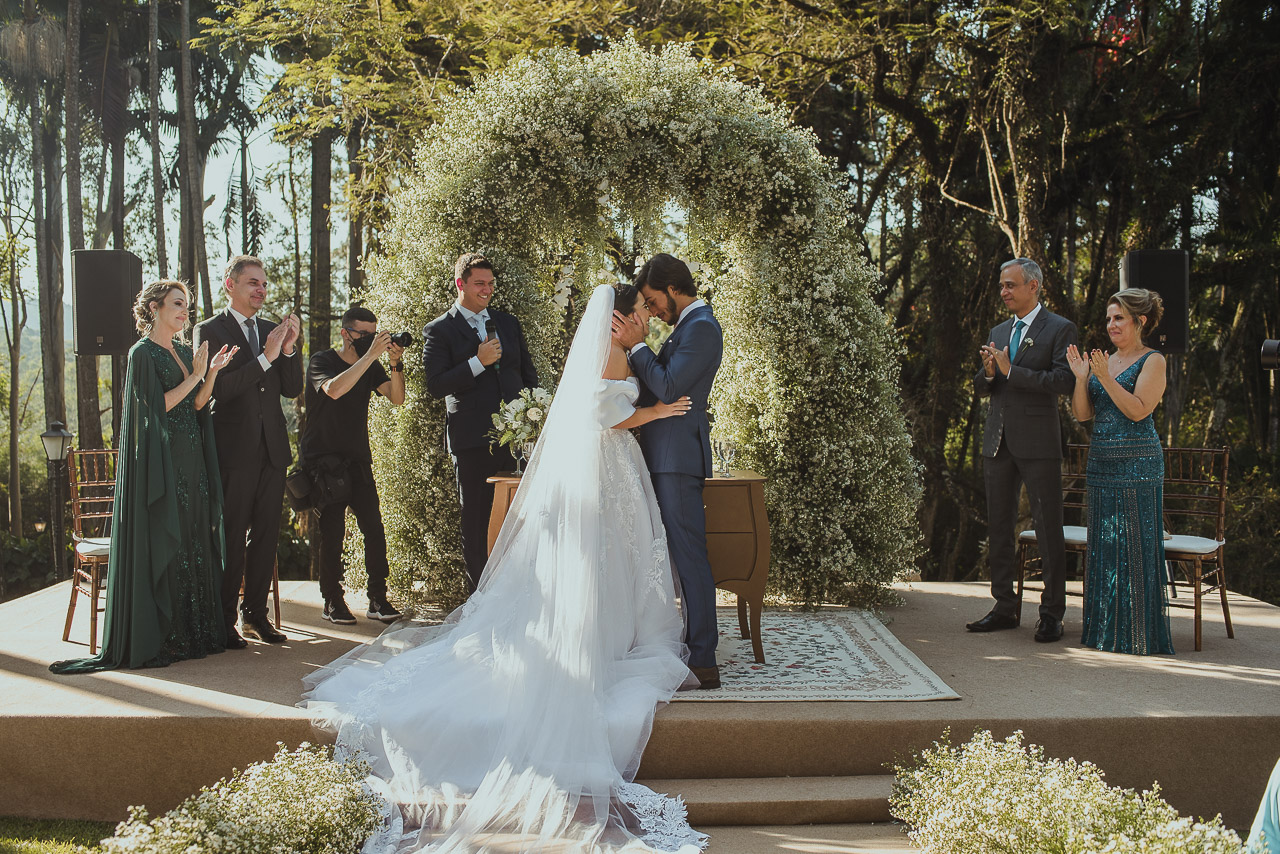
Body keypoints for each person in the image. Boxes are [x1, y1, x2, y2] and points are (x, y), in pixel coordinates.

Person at [302, 284, 706, 853]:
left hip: (613, 473)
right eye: (638, 312)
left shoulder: (610, 350)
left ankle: (608, 632)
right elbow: (603, 415)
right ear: (618, 318)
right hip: (611, 468)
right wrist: (655, 410)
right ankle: (606, 639)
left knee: (614, 558)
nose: (644, 319)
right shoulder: (613, 353)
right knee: (613, 557)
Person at [51, 281, 237, 674]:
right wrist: (196, 376)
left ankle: (194, 635)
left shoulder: (186, 351)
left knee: (192, 539)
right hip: (162, 460)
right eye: (177, 304)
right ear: (155, 308)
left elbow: (198, 403)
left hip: (193, 459)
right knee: (167, 535)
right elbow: (159, 406)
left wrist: (212, 374)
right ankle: (164, 636)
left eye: (186, 305)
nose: (185, 311)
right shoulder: (141, 354)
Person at [611, 253, 724, 689]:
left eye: (655, 301)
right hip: (666, 458)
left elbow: (670, 386)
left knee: (690, 556)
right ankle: (694, 647)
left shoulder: (702, 328)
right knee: (677, 557)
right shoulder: (686, 329)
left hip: (677, 462)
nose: (654, 311)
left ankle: (703, 659)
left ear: (674, 287)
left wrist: (638, 347)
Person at [193, 256, 303, 647]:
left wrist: (288, 350)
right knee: (232, 535)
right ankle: (224, 621)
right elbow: (217, 389)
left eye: (264, 284)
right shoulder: (208, 329)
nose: (261, 290)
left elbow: (291, 389)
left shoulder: (274, 331)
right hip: (233, 451)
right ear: (230, 285)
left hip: (272, 450)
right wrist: (264, 358)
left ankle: (256, 615)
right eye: (253, 283)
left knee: (267, 536)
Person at [968, 257, 1078, 642]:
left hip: (1039, 442)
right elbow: (983, 387)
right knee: (999, 527)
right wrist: (991, 373)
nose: (1004, 292)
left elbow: (1064, 380)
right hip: (997, 441)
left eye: (1011, 285)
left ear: (1034, 287)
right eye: (1001, 285)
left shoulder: (1060, 329)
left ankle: (1051, 614)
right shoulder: (999, 329)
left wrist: (1012, 371)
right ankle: (1003, 606)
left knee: (1048, 529)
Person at [422, 252, 539, 592]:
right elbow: (436, 385)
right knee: (476, 521)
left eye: (490, 284)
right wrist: (477, 362)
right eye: (479, 284)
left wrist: (533, 416)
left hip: (517, 439)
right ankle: (480, 601)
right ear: (460, 284)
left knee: (518, 521)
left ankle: (517, 594)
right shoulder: (440, 330)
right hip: (473, 442)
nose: (487, 290)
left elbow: (526, 373)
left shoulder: (507, 323)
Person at [1067, 288, 1174, 655]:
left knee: (1135, 548)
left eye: (1119, 318)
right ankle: (1105, 632)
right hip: (1101, 464)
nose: (1111, 324)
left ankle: (1138, 635)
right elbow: (1082, 415)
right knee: (1106, 547)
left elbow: (1139, 410)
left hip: (1138, 465)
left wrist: (1105, 378)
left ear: (1139, 322)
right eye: (1109, 318)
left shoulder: (1153, 360)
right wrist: (1082, 378)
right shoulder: (1104, 360)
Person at [301, 305, 406, 625]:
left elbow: (397, 398)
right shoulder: (322, 361)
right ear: (346, 333)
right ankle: (332, 600)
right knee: (331, 533)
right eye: (364, 335)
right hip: (323, 462)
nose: (370, 340)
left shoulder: (370, 365)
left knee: (374, 528)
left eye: (374, 335)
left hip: (357, 458)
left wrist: (394, 362)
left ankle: (377, 598)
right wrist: (369, 357)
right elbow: (334, 389)